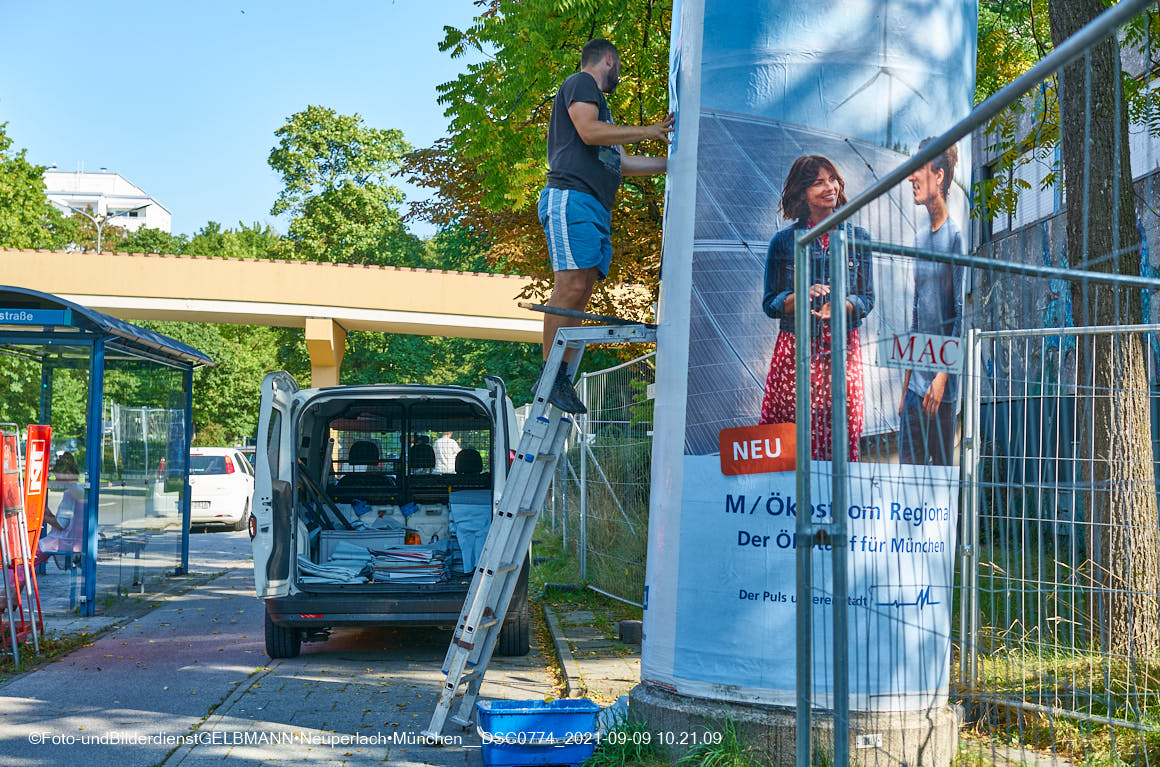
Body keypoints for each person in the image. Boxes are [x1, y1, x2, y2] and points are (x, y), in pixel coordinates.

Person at [536, 37, 674, 413]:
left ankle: (559, 374)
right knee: (571, 285)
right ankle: (552, 377)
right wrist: (648, 130)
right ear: (608, 60)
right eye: (619, 67)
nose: (619, 75)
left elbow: (624, 165)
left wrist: (674, 163)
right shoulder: (581, 84)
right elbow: (588, 132)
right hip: (571, 196)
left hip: (594, 204)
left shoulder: (606, 114)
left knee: (583, 291)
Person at [759, 155, 875, 461]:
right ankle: (785, 504)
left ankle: (834, 506)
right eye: (818, 182)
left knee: (841, 430)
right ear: (801, 192)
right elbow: (769, 302)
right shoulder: (783, 242)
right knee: (788, 436)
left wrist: (843, 305)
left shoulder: (858, 238)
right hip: (795, 350)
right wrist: (799, 296)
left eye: (832, 179)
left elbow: (867, 298)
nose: (829, 187)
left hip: (842, 350)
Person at [898, 139, 965, 466]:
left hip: (942, 390)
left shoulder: (956, 238)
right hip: (915, 389)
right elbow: (916, 311)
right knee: (906, 484)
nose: (911, 177)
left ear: (938, 177)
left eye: (919, 169)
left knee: (940, 487)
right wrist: (908, 380)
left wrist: (941, 378)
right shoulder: (919, 239)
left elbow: (960, 315)